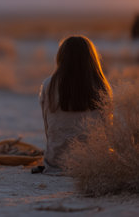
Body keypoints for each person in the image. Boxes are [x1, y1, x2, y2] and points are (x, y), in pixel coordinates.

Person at [37, 35, 112, 175]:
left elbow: (49, 128)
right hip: (94, 164)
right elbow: (107, 130)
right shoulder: (102, 87)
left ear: (61, 57)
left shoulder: (49, 85)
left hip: (57, 163)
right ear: (92, 59)